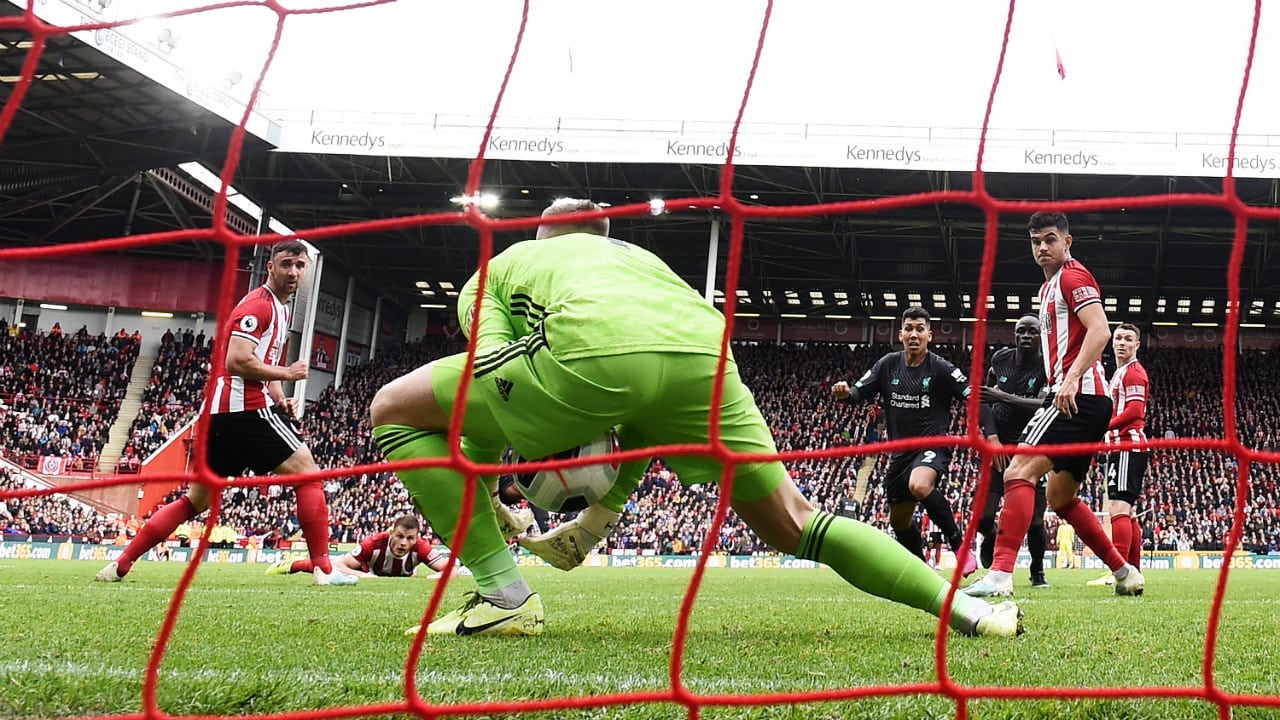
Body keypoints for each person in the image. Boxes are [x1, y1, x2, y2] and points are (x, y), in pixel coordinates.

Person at [368, 198, 1023, 638]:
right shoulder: (646, 265)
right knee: (800, 523)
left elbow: (486, 371)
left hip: (582, 354)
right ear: (605, 235)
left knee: (394, 409)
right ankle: (969, 613)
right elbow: (648, 406)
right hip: (707, 356)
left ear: (542, 235)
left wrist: (488, 481)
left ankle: (503, 597)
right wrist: (597, 518)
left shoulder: (505, 265)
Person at [95, 240, 356, 587]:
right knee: (308, 474)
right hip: (242, 410)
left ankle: (120, 565)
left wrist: (280, 396)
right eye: (286, 264)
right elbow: (237, 361)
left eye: (299, 265)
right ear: (271, 267)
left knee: (196, 501)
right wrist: (288, 376)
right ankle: (325, 571)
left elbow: (266, 361)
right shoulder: (258, 306)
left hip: (220, 415)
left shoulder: (281, 309)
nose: (293, 271)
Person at [964, 211, 1144, 598]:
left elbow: (1101, 329)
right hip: (1083, 400)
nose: (1042, 247)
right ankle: (1124, 571)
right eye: (1035, 242)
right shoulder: (1047, 288)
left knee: (1017, 472)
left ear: (1067, 242)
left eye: (1049, 239)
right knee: (1060, 497)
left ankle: (999, 574)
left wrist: (1073, 377)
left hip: (1077, 397)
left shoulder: (1073, 277)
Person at [829, 306, 978, 577]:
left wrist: (988, 433)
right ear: (900, 334)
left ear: (929, 335)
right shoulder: (888, 365)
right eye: (908, 329)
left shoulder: (941, 368)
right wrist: (843, 393)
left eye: (920, 329)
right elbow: (857, 393)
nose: (914, 334)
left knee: (919, 485)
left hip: (933, 444)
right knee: (899, 521)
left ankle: (960, 545)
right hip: (899, 455)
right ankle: (921, 571)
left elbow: (973, 397)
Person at [977, 314, 1050, 587]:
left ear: (1041, 335)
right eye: (1021, 331)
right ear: (1014, 335)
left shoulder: (1047, 366)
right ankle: (991, 535)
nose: (1026, 336)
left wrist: (1002, 397)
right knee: (984, 516)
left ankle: (1037, 570)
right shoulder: (1000, 360)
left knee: (1034, 519)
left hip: (1033, 445)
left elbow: (1044, 404)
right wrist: (992, 436)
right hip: (1000, 448)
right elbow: (984, 397)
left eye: (1032, 331)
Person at [1087, 323, 1150, 587]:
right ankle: (1132, 570)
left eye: (1128, 339)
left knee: (1118, 508)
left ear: (1137, 345)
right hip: (1120, 447)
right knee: (1129, 512)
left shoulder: (1134, 373)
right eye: (1118, 338)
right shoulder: (1119, 373)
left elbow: (1135, 412)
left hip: (1127, 445)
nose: (1122, 343)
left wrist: (1102, 427)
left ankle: (1119, 571)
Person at [266, 515, 450, 578]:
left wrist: (436, 577)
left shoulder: (421, 547)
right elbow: (341, 565)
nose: (403, 543)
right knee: (328, 566)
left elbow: (450, 569)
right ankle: (292, 565)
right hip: (366, 568)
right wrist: (364, 576)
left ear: (416, 538)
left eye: (409, 539)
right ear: (391, 533)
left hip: (386, 573)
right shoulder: (375, 543)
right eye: (399, 536)